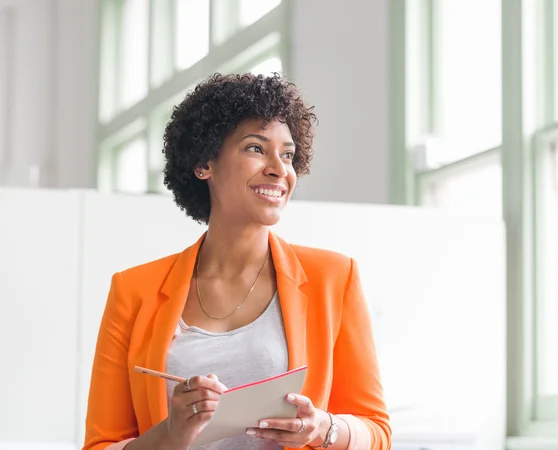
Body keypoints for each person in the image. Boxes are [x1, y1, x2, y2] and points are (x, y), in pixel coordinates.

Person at [83, 73, 391, 450]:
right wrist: (170, 432)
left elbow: (376, 432)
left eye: (288, 154)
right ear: (204, 164)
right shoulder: (134, 291)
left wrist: (323, 428)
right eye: (256, 149)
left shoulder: (334, 278)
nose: (279, 169)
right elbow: (100, 445)